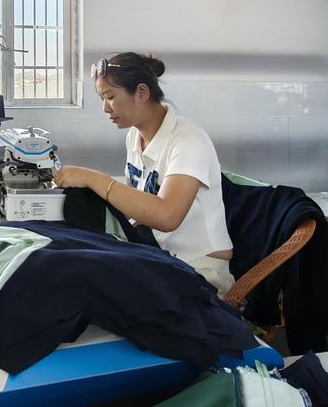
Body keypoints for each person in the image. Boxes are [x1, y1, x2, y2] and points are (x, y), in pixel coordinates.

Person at [53, 52, 235, 297]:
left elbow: (167, 216)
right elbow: (136, 208)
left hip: (199, 272)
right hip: (156, 257)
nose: (105, 108)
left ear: (141, 92)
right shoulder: (134, 137)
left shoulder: (189, 140)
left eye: (110, 97)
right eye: (102, 98)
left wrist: (91, 178)